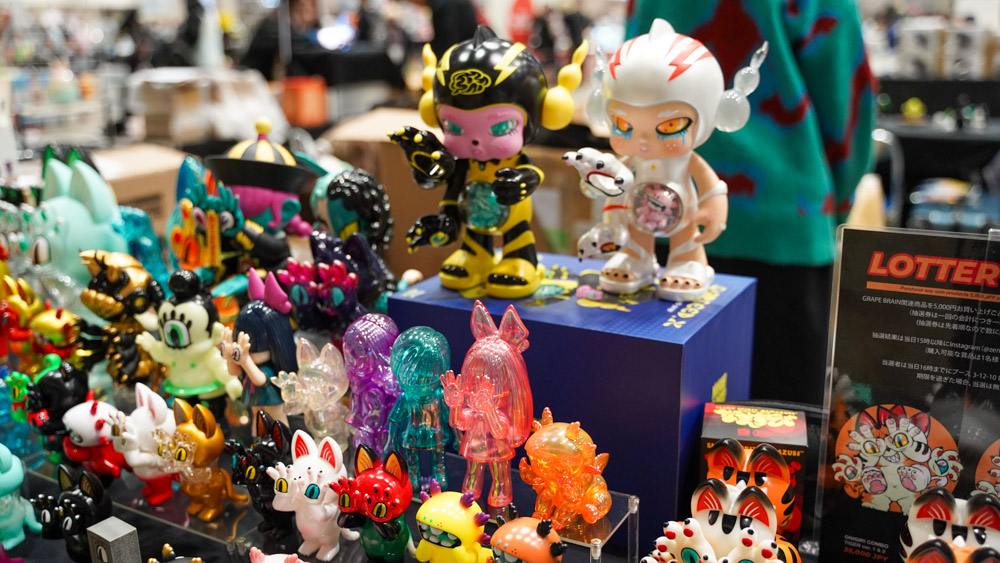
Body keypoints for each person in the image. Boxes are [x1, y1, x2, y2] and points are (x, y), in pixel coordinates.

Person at [630, 0, 876, 405]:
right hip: (785, 225)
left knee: (666, 412)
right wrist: (832, 209)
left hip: (663, 219)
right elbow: (846, 103)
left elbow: (631, 72)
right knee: (779, 425)